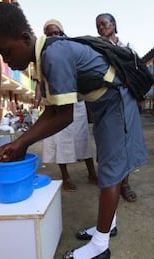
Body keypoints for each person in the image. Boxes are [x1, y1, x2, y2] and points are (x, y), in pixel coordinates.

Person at [0, 3, 148, 259]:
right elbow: (53, 110)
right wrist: (22, 142)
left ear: (25, 38)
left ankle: (100, 246)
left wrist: (21, 143)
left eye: (5, 51)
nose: (6, 60)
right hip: (103, 104)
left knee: (111, 172)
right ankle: (108, 226)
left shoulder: (53, 56)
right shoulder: (44, 58)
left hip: (116, 101)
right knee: (107, 165)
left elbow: (64, 116)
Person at [36, 19, 98, 191]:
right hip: (56, 104)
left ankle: (91, 173)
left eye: (56, 33)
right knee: (60, 140)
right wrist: (37, 98)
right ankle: (66, 177)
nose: (53, 36)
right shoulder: (43, 53)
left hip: (77, 103)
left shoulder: (71, 48)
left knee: (82, 139)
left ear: (62, 34)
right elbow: (39, 80)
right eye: (49, 34)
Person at [95, 12, 138, 202]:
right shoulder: (96, 48)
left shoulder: (127, 48)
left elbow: (137, 72)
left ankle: (125, 183)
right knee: (109, 144)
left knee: (127, 142)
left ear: (114, 25)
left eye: (104, 24)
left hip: (126, 99)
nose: (101, 28)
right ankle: (111, 182)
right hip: (106, 101)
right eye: (98, 26)